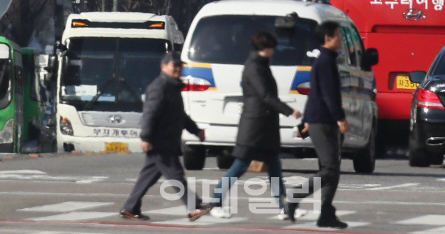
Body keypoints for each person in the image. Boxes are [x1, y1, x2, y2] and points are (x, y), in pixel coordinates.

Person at [208, 31, 302, 219]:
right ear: (263, 48)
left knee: (275, 169)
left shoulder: (261, 65)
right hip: (254, 128)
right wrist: (289, 111)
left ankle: (285, 207)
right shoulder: (254, 67)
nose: (274, 51)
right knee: (239, 167)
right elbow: (265, 96)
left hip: (264, 128)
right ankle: (214, 203)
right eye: (271, 47)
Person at [120, 51, 211, 222]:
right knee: (176, 175)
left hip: (166, 140)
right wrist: (146, 137)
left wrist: (196, 131)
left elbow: (180, 115)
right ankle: (194, 207)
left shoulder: (172, 87)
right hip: (161, 141)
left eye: (180, 66)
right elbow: (149, 114)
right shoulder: (159, 87)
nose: (178, 69)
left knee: (148, 176)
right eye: (174, 65)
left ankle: (130, 207)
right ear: (163, 67)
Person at [286, 20, 349, 230]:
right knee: (330, 169)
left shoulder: (326, 60)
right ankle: (296, 195)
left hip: (321, 119)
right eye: (338, 34)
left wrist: (305, 121)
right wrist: (340, 117)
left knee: (332, 170)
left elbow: (315, 93)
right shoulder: (325, 62)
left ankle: (326, 214)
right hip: (323, 121)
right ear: (327, 38)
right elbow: (328, 94)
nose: (341, 38)